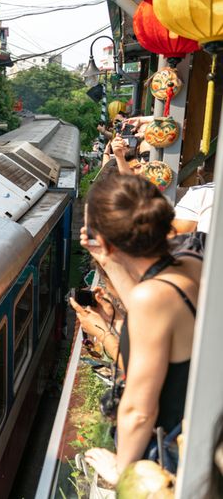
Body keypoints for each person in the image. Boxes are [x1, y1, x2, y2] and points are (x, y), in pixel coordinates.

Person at [81, 174, 202, 484]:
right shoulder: (189, 259)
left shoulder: (154, 298)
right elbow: (149, 312)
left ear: (106, 239)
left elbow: (139, 411)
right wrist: (107, 259)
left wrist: (122, 471)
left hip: (174, 462)